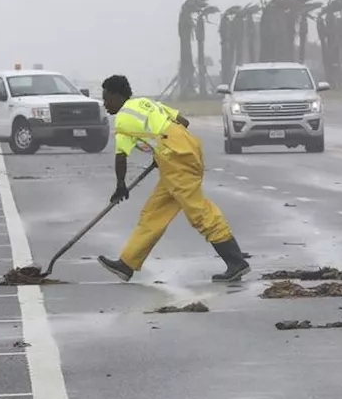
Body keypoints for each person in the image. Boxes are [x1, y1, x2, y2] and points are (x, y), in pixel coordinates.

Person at [96, 75, 250, 283]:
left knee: (198, 211)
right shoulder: (147, 103)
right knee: (154, 213)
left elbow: (121, 156)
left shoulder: (123, 117)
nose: (105, 104)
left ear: (116, 96)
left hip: (176, 157)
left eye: (106, 99)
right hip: (182, 150)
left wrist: (121, 185)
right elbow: (183, 122)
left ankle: (236, 262)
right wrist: (161, 149)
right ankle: (127, 263)